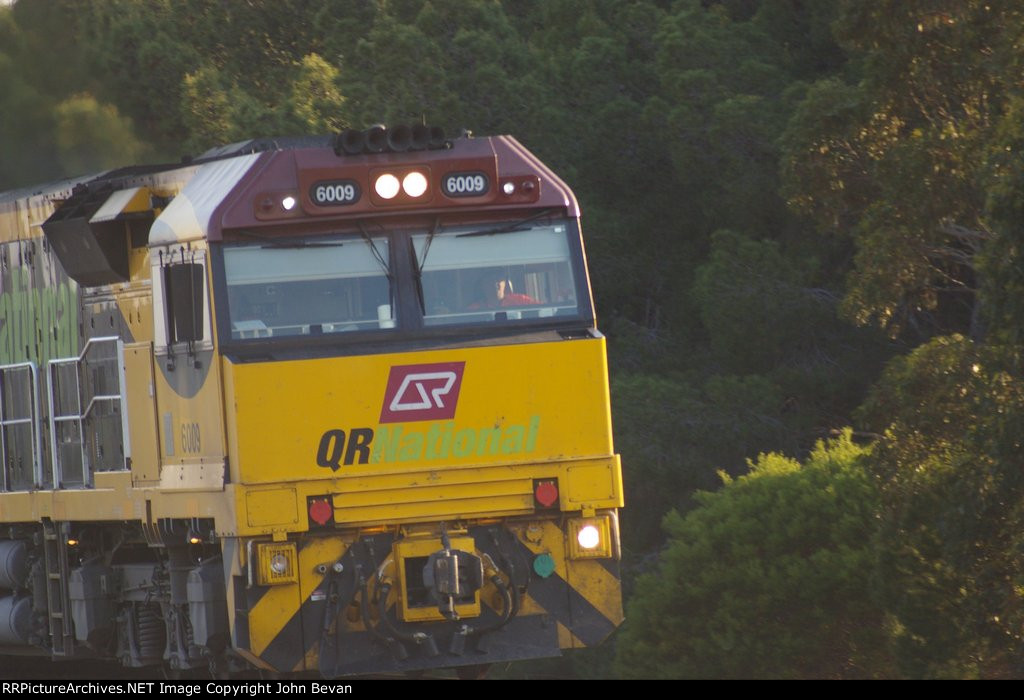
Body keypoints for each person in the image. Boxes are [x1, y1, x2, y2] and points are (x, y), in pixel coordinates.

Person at [468, 270, 538, 309]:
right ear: (482, 286)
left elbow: (542, 310)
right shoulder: (475, 309)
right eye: (490, 280)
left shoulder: (520, 300)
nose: (495, 283)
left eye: (498, 279)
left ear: (505, 283)